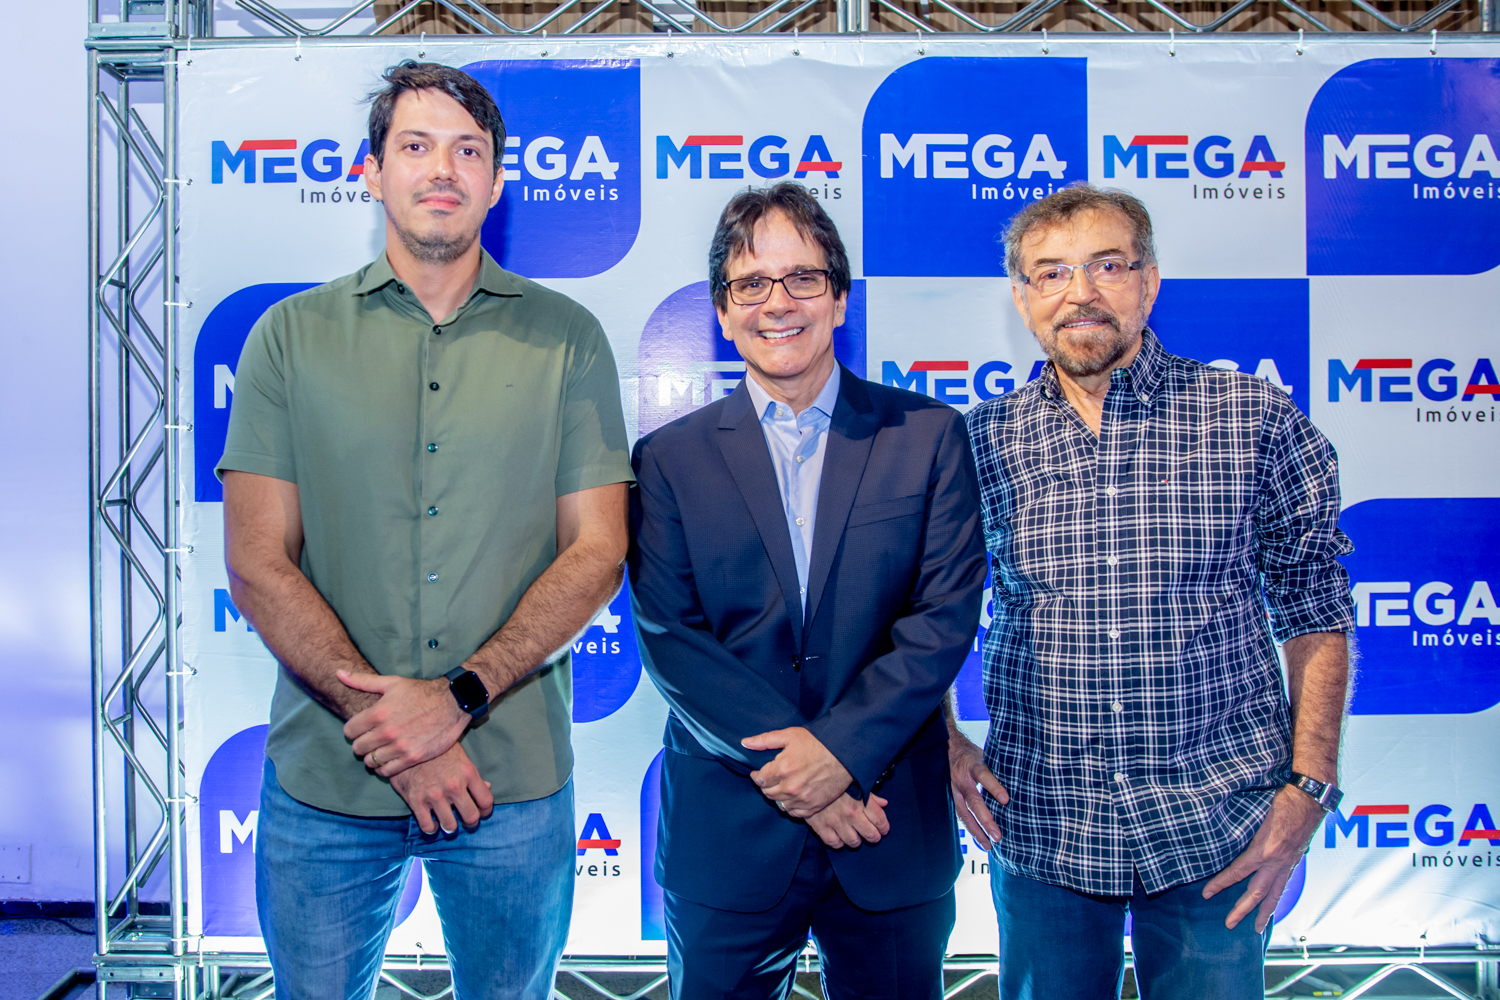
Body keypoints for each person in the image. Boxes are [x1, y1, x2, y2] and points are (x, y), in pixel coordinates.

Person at [217, 61, 633, 999]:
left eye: (467, 151)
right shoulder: (287, 336)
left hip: (510, 781)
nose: (442, 169)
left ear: (496, 181)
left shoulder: (569, 338)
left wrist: (459, 699)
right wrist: (398, 728)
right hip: (328, 783)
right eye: (415, 145)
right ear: (371, 171)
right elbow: (256, 561)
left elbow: (599, 550)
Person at [947, 183, 1356, 999]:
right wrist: (947, 743)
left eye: (1107, 266)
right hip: (1046, 826)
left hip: (1219, 824)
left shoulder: (1254, 419)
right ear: (1022, 298)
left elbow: (1316, 610)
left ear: (1150, 281)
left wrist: (1310, 788)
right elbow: (922, 611)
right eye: (1051, 273)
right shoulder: (979, 441)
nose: (1081, 293)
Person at [629, 181, 988, 1000]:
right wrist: (810, 776)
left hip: (890, 824)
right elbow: (672, 638)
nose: (778, 302)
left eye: (802, 278)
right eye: (751, 283)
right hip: (729, 833)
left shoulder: (927, 435)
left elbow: (942, 620)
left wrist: (841, 757)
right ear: (722, 311)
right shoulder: (668, 459)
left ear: (839, 298)